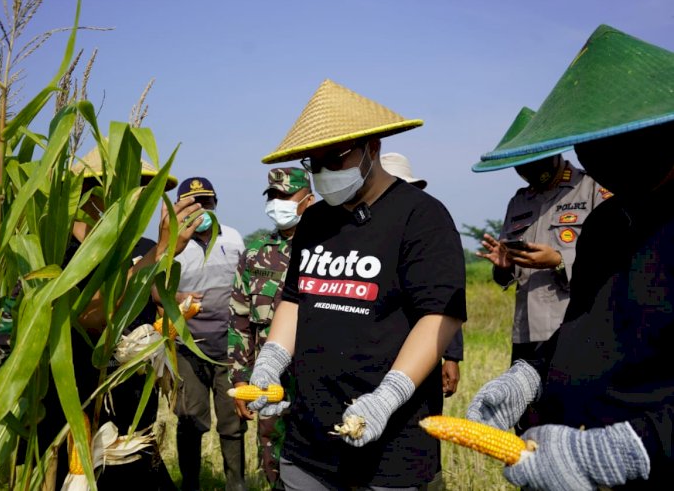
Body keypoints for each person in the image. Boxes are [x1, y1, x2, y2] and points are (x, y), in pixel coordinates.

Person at [466, 24, 674, 489]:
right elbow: (586, 324)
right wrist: (529, 377)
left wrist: (634, 447)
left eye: (608, 141)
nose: (595, 156)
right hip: (568, 449)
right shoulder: (606, 223)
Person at [249, 79, 467, 489]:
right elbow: (296, 299)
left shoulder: (421, 217)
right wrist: (271, 361)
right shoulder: (314, 221)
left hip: (391, 443)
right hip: (308, 438)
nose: (324, 174)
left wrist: (387, 397)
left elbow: (439, 317)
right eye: (314, 165)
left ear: (372, 148)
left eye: (334, 159)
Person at [42, 148, 198, 489]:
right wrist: (160, 250)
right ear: (89, 193)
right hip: (86, 432)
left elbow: (149, 301)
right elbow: (89, 315)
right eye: (130, 188)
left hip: (132, 426)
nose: (139, 199)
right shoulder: (58, 251)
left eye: (145, 189)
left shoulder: (130, 249)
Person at [471, 108, 610, 369]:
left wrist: (558, 261)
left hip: (575, 325)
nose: (529, 171)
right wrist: (503, 267)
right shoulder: (519, 201)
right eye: (522, 165)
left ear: (554, 153)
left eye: (536, 161)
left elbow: (612, 254)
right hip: (525, 331)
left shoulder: (591, 188)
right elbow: (508, 274)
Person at [228, 167, 314, 489]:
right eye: (273, 196)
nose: (278, 202)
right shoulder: (255, 256)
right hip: (268, 382)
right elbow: (238, 320)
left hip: (315, 381)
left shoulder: (330, 250)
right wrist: (239, 377)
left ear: (308, 199)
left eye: (285, 195)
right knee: (273, 460)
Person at [173, 177, 247, 491]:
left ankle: (236, 484)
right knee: (190, 421)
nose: (199, 209)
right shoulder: (171, 247)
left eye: (205, 203)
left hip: (228, 347)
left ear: (215, 205)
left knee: (233, 424)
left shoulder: (233, 239)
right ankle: (190, 484)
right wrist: (173, 298)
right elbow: (149, 288)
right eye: (191, 204)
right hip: (187, 348)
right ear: (179, 209)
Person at [380, 151, 464, 399]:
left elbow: (443, 301)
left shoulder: (427, 234)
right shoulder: (363, 238)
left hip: (419, 356)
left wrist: (451, 356)